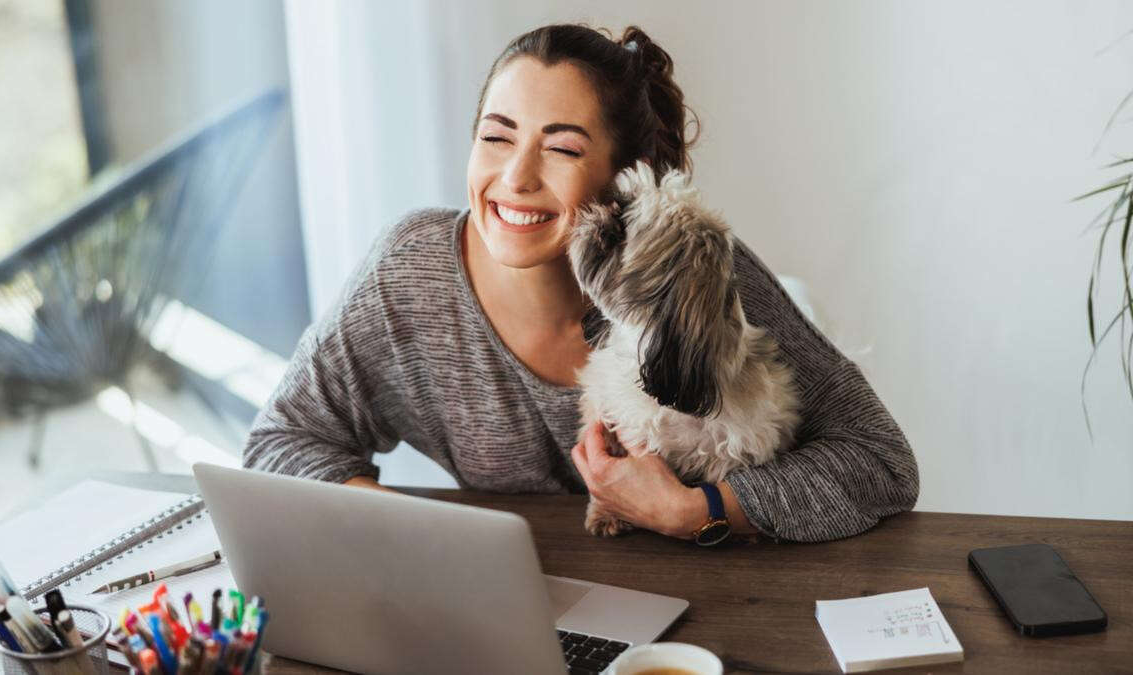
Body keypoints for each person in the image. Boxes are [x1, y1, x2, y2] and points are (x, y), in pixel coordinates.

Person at [242, 23, 919, 544]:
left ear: (626, 172)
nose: (515, 178)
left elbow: (881, 459)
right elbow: (280, 442)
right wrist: (425, 539)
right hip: (515, 606)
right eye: (496, 137)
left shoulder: (691, 275)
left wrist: (696, 510)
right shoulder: (409, 275)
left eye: (562, 148)